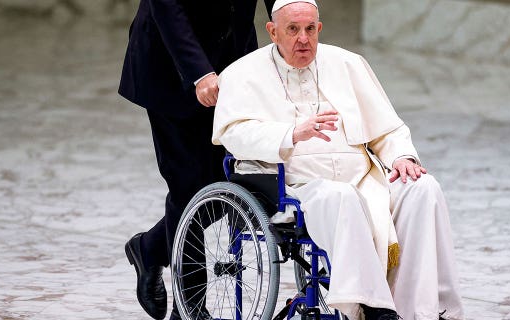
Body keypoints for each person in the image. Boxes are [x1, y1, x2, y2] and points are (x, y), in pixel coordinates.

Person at [212, 1, 465, 319]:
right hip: (298, 185)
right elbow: (235, 135)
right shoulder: (243, 73)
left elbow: (388, 128)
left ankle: (423, 310)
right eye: (292, 29)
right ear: (273, 31)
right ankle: (374, 308)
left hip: (363, 177)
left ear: (318, 28)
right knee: (340, 195)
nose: (303, 39)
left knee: (422, 187)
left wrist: (401, 156)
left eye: (309, 29)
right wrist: (291, 133)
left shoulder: (348, 64)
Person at [118, 0, 275, 319]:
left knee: (232, 181)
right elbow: (167, 6)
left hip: (234, 58)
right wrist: (199, 73)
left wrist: (298, 26)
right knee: (187, 185)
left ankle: (150, 249)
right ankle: (189, 308)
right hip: (172, 63)